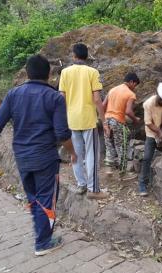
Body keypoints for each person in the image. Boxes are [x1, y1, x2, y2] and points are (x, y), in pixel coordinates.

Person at [0, 55, 77, 256]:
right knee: (46, 198)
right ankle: (44, 242)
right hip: (45, 157)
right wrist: (73, 153)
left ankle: (41, 233)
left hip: (22, 157)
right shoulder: (55, 97)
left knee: (33, 197)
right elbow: (62, 133)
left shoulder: (13, 95)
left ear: (27, 73)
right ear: (49, 74)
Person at [59, 43, 108, 199]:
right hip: (88, 120)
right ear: (87, 56)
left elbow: (62, 99)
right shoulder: (92, 72)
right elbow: (97, 99)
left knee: (76, 153)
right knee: (92, 154)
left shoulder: (65, 73)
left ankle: (81, 184)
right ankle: (93, 189)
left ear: (73, 56)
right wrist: (104, 120)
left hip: (71, 120)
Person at [103, 72, 140, 179]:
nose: (134, 88)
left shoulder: (112, 90)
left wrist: (105, 119)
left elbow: (103, 105)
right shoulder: (130, 94)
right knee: (122, 147)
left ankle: (108, 170)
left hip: (107, 120)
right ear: (132, 82)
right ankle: (123, 174)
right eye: (135, 85)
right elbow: (128, 111)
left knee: (109, 145)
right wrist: (135, 119)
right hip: (118, 122)